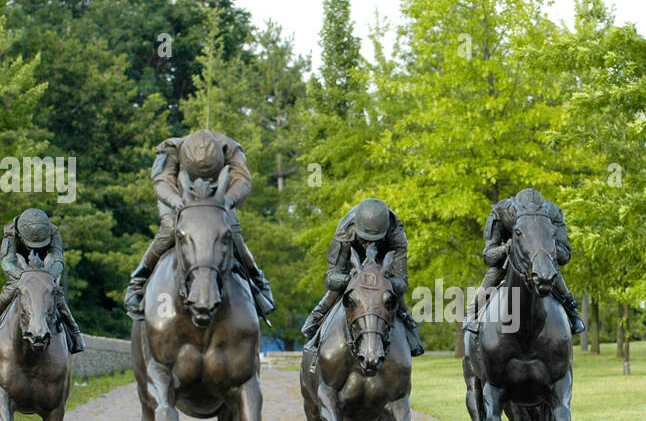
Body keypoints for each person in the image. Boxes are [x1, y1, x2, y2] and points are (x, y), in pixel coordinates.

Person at [124, 129, 275, 320]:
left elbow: (242, 179)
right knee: (169, 229)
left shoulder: (232, 149)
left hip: (218, 198)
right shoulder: (171, 148)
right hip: (178, 195)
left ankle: (258, 282)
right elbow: (162, 180)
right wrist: (175, 201)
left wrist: (227, 200)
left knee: (232, 233)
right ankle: (138, 281)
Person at [301, 197, 424, 355]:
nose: (369, 243)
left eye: (375, 239)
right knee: (335, 292)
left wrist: (380, 280)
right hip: (352, 267)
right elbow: (331, 278)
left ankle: (410, 328)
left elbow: (401, 282)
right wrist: (355, 279)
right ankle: (315, 322)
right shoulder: (345, 230)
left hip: (382, 266)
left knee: (394, 296)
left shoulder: (397, 233)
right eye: (365, 238)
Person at [463, 189, 585, 334]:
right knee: (494, 273)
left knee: (552, 271)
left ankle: (573, 313)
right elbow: (488, 256)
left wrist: (544, 245)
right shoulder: (501, 212)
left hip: (542, 258)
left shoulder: (553, 213)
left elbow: (564, 255)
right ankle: (471, 314)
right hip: (510, 259)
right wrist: (506, 248)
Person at [0, 208, 85, 353]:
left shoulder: (53, 231)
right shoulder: (11, 232)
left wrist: (47, 278)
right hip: (20, 271)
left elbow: (58, 260)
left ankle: (74, 331)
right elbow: (7, 262)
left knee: (54, 293)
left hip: (46, 270)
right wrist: (24, 276)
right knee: (11, 288)